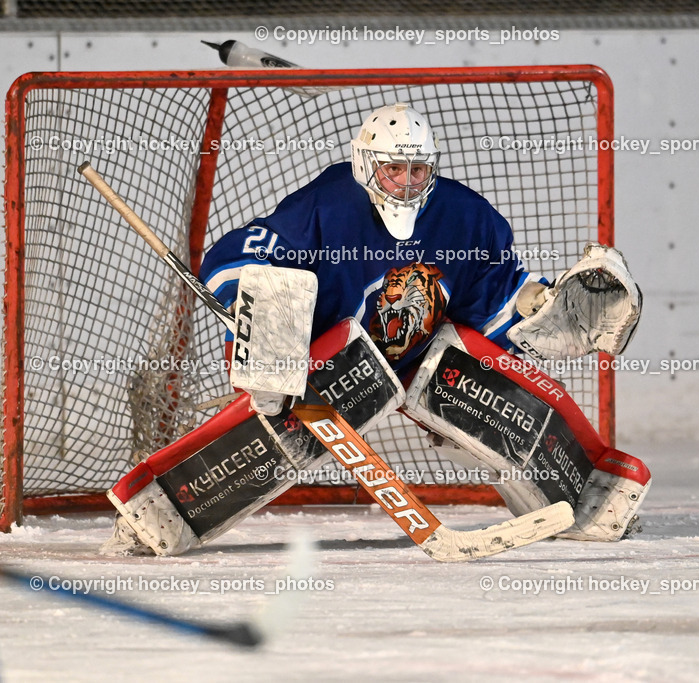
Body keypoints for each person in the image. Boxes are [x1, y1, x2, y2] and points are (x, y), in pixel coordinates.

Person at [101, 103, 648, 556]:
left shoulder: (463, 216)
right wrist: (255, 307)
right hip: (329, 355)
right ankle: (160, 508)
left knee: (482, 377)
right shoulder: (327, 205)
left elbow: (492, 291)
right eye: (393, 171)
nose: (407, 185)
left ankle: (589, 494)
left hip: (420, 352)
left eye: (417, 172)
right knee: (279, 424)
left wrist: (540, 305)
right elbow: (241, 253)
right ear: (367, 166)